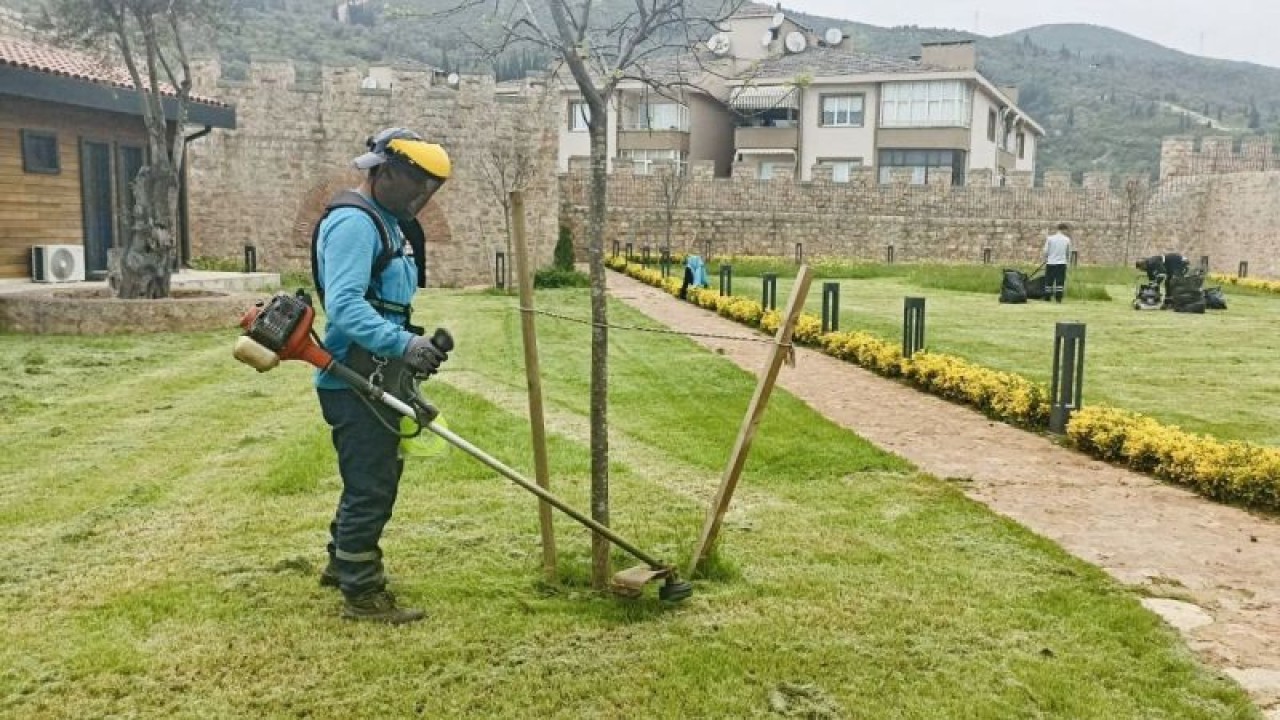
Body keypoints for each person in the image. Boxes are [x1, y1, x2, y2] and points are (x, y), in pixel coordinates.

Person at [311, 127, 452, 623]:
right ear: (384, 171)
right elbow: (346, 307)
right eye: (416, 184)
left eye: (431, 189)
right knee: (371, 483)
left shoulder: (388, 222)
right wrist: (404, 344)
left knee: (371, 476)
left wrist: (410, 349)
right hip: (353, 375)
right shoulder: (355, 223)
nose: (423, 196)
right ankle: (362, 591)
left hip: (377, 373)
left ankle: (340, 562)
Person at [1042, 222, 1072, 303]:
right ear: (1064, 230)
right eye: (1066, 230)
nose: (1067, 232)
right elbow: (1068, 252)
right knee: (1060, 281)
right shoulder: (1067, 240)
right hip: (1061, 263)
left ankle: (1047, 297)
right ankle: (1058, 298)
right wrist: (1068, 263)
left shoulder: (1050, 238)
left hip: (1050, 263)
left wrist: (1045, 259)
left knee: (1049, 281)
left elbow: (1045, 251)